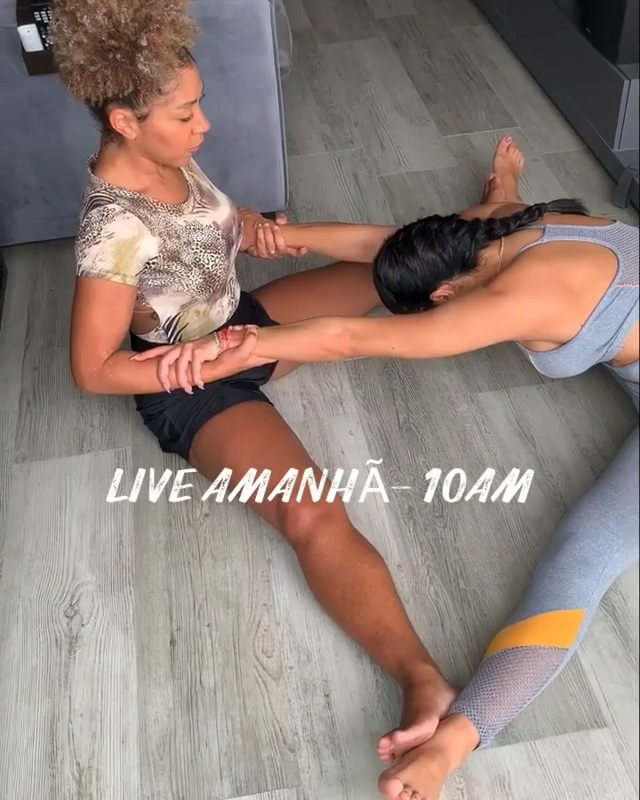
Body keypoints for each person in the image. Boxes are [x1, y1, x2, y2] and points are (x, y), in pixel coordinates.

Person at [49, 0, 497, 778]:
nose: (205, 125)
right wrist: (198, 364)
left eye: (199, 105)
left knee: (397, 268)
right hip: (193, 386)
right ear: (125, 121)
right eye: (186, 114)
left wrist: (248, 225)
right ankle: (422, 682)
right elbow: (92, 369)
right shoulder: (113, 230)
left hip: (239, 323)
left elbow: (201, 225)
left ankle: (505, 257)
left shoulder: (162, 153)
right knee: (310, 511)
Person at [135, 137, 640, 800]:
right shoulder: (509, 225)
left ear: (446, 293)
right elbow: (390, 242)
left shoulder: (514, 289)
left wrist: (242, 347)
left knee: (583, 556)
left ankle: (452, 744)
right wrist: (286, 236)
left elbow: (350, 337)